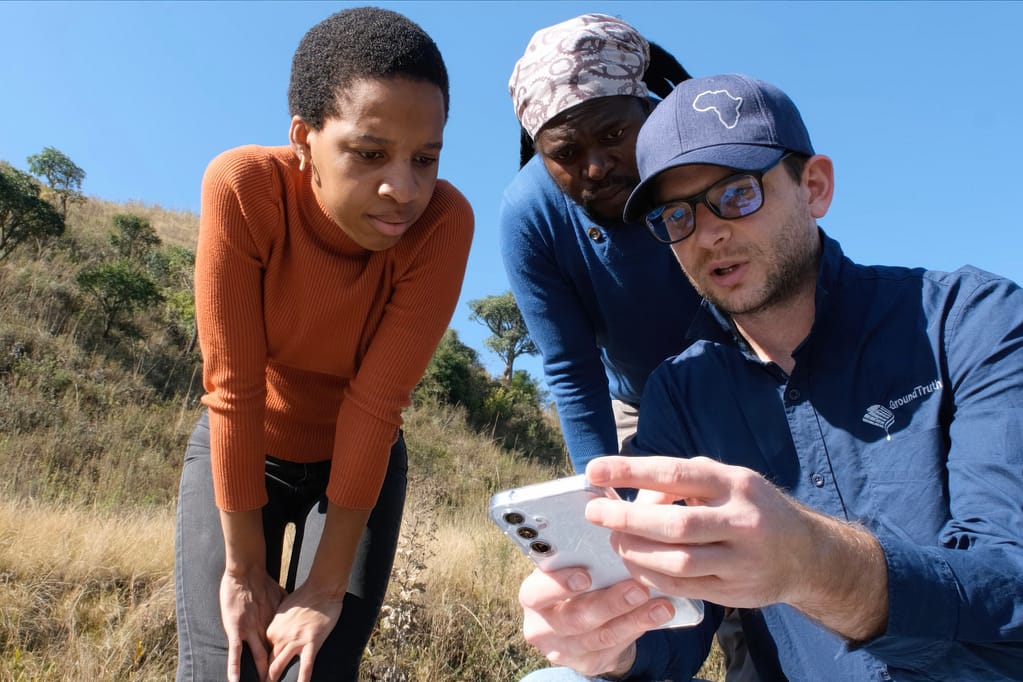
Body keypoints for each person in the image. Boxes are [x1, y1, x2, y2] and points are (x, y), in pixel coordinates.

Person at [518, 73, 1023, 681]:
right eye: (675, 217)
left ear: (814, 187)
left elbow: (1008, 586)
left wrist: (813, 563)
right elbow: (673, 633)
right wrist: (610, 639)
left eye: (735, 195)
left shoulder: (970, 323)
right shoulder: (682, 396)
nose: (708, 233)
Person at [174, 8, 474, 682]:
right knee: (224, 666)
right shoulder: (245, 188)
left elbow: (376, 404)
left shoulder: (444, 226)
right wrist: (245, 570)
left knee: (312, 668)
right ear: (305, 138)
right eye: (370, 155)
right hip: (245, 446)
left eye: (425, 159)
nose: (404, 190)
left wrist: (325, 588)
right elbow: (233, 388)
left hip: (355, 465)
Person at [503, 16, 756, 681]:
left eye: (615, 134)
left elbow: (749, 305)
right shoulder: (530, 215)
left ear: (649, 106)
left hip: (750, 381)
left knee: (758, 591)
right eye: (565, 152)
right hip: (633, 406)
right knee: (640, 588)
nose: (594, 166)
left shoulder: (703, 164)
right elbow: (569, 367)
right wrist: (607, 509)